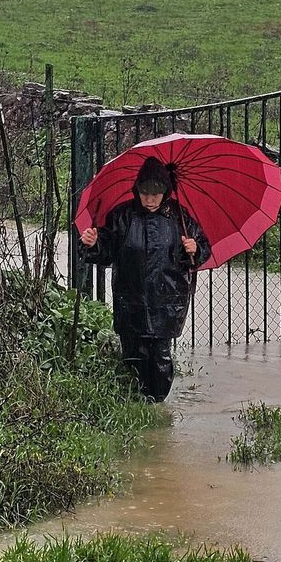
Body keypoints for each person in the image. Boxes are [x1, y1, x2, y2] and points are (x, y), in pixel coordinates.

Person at [79, 156, 210, 402]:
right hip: (131, 297)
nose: (149, 200)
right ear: (137, 190)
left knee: (160, 354)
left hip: (167, 299)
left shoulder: (180, 219)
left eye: (156, 194)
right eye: (144, 193)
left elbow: (201, 249)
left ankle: (157, 404)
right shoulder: (122, 216)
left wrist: (195, 249)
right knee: (134, 351)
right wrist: (94, 243)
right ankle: (135, 402)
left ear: (165, 192)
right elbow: (107, 250)